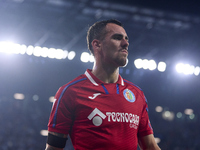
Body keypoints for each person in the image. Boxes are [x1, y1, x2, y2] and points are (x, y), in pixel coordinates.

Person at [45, 19, 161, 150]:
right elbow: (54, 148)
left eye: (126, 39)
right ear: (97, 45)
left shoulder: (136, 94)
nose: (126, 43)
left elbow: (150, 146)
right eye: (117, 38)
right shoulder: (70, 92)